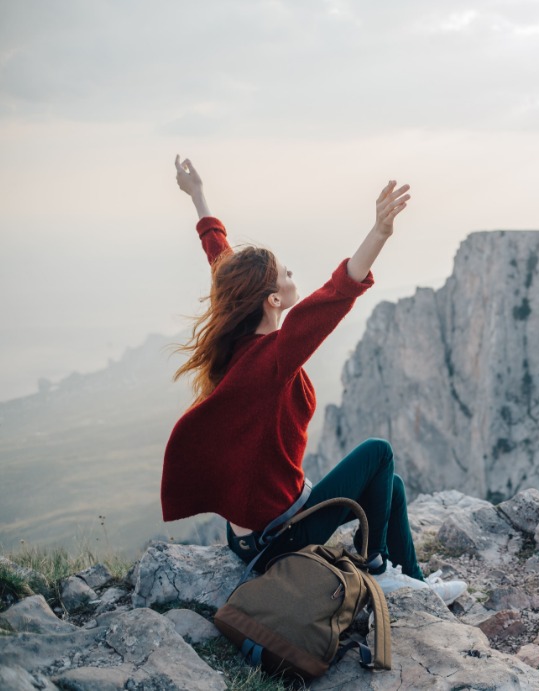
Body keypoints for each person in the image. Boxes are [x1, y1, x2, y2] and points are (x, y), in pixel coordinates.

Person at [160, 156, 465, 605]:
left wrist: (199, 196)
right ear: (272, 300)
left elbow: (222, 265)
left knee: (392, 486)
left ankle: (416, 584)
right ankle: (377, 571)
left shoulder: (241, 335)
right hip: (277, 540)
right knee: (378, 454)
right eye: (285, 274)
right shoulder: (273, 359)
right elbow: (334, 295)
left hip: (254, 532)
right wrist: (379, 233)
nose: (291, 275)